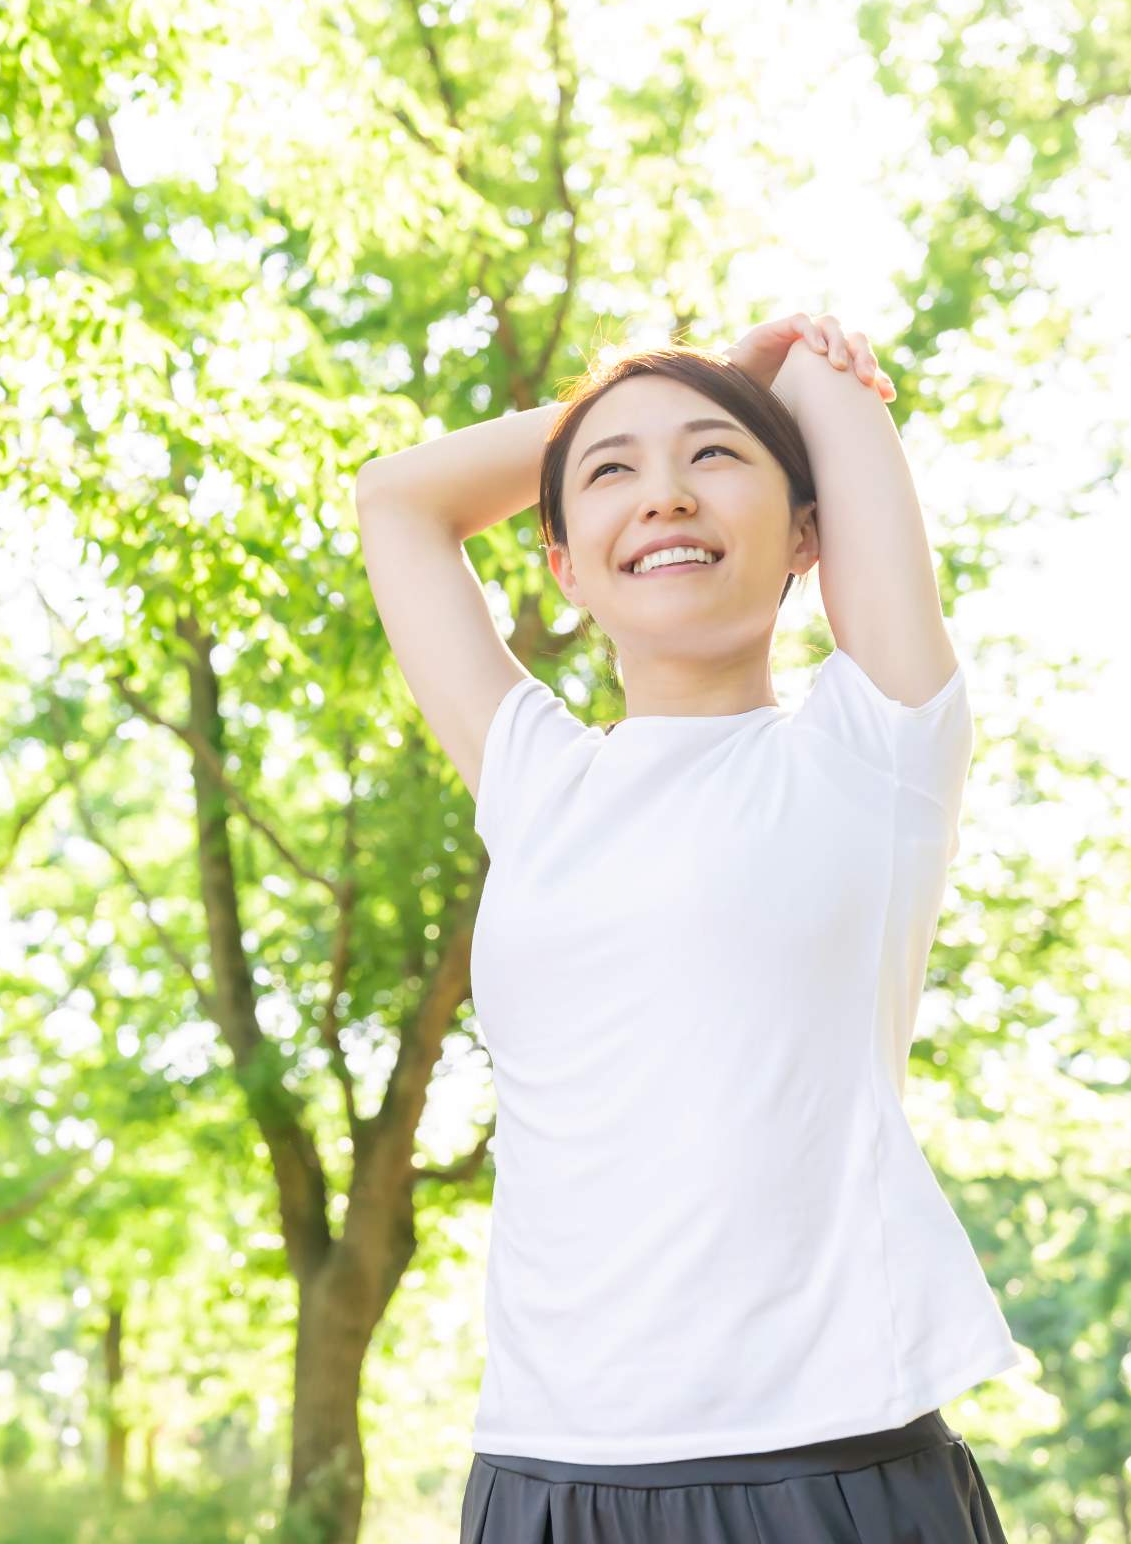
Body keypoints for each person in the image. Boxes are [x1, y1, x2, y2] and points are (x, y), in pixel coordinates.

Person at [354, 312, 1030, 1543]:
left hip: (824, 1467)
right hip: (545, 1474)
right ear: (563, 563)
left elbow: (832, 386)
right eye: (612, 475)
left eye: (716, 459)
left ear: (806, 539)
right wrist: (685, 382)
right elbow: (398, 500)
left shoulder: (876, 748)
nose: (662, 497)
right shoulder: (538, 784)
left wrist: (766, 379)